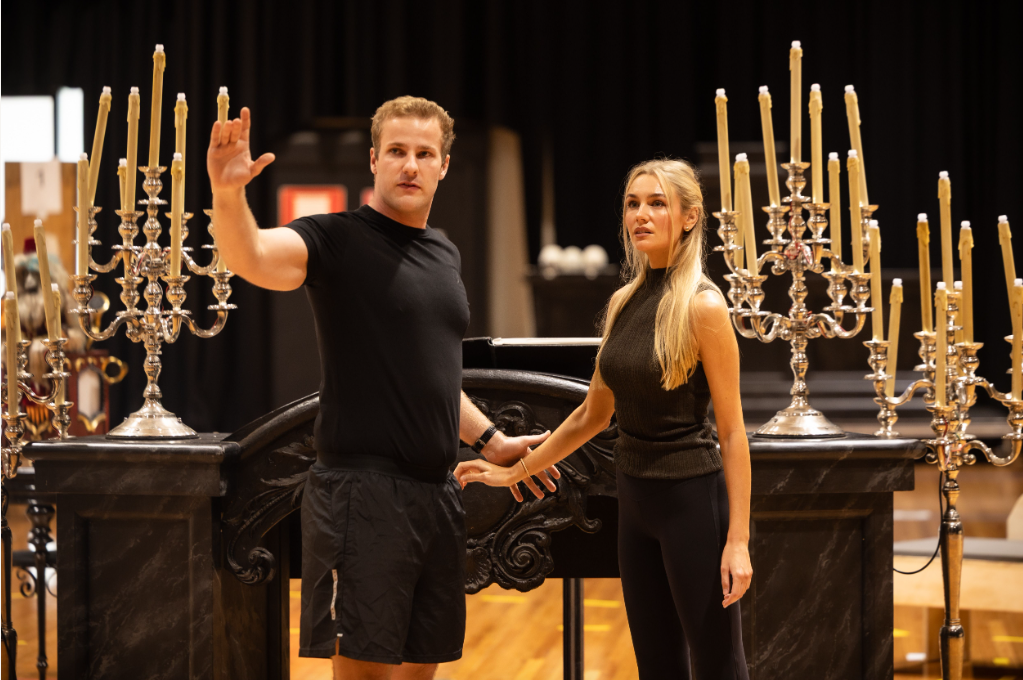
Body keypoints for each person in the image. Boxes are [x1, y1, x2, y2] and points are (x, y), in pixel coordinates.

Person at [207, 96, 557, 680]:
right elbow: (253, 257)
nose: (410, 165)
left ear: (444, 165)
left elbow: (434, 375)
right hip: (360, 495)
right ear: (373, 160)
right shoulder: (337, 239)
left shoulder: (443, 253)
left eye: (424, 153)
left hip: (437, 495)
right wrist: (227, 193)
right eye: (397, 151)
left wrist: (492, 440)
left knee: (424, 670)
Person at [456, 159, 753, 679]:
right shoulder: (623, 301)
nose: (641, 215)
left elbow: (731, 431)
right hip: (634, 501)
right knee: (656, 665)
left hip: (692, 501)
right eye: (633, 204)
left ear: (689, 217)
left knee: (718, 665)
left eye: (657, 203)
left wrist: (738, 541)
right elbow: (591, 416)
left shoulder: (704, 306)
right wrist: (513, 472)